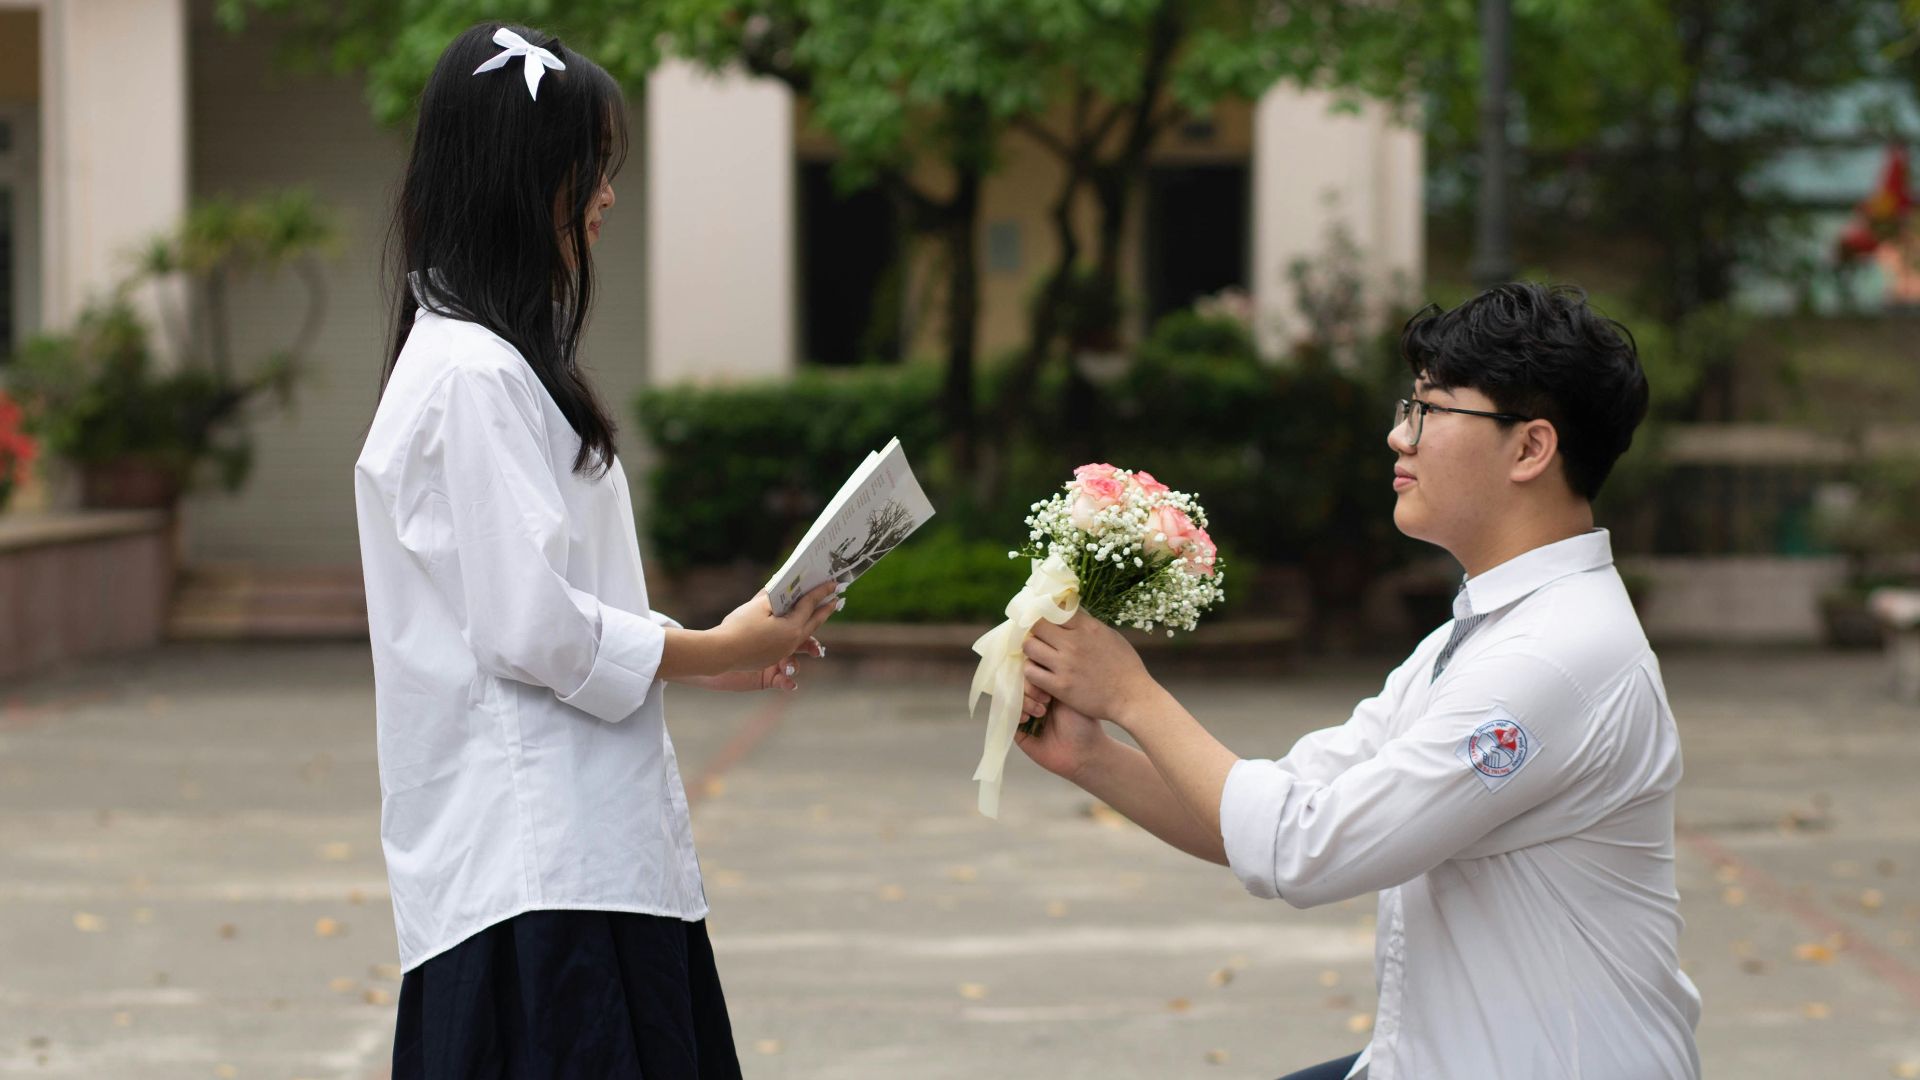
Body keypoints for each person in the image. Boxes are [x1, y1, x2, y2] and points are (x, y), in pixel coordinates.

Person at [1016, 282, 1701, 1080]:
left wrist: (1132, 694)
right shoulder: (1479, 633)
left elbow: (1303, 850)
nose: (1397, 436)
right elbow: (1277, 809)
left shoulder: (1555, 659)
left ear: (1530, 448)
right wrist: (1090, 756)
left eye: (1430, 411)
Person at [353, 23, 842, 1078]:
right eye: (590, 168)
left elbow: (552, 606)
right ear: (519, 179)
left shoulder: (479, 362)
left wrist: (716, 642)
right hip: (542, 871)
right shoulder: (475, 377)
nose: (608, 196)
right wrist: (711, 649)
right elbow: (534, 629)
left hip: (569, 859)